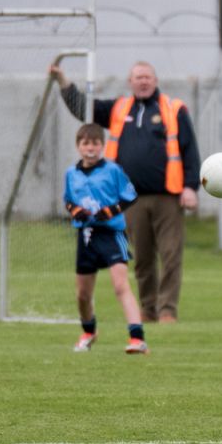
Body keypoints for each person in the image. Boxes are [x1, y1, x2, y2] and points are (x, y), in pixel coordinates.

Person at [49, 61, 200, 323]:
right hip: (131, 199)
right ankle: (148, 309)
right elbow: (84, 108)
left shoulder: (173, 109)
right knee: (141, 258)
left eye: (147, 77)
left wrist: (190, 187)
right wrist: (63, 82)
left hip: (168, 196)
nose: (143, 81)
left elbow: (190, 150)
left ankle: (167, 311)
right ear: (130, 82)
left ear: (155, 80)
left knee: (170, 255)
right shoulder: (119, 108)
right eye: (138, 77)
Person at [64, 123, 148, 354]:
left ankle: (137, 338)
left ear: (102, 146)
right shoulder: (71, 173)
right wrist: (75, 211)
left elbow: (130, 196)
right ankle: (89, 332)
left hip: (111, 234)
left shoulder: (113, 170)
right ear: (79, 146)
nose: (90, 148)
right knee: (82, 294)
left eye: (95, 143)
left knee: (120, 285)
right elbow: (68, 200)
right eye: (85, 143)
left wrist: (110, 211)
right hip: (87, 236)